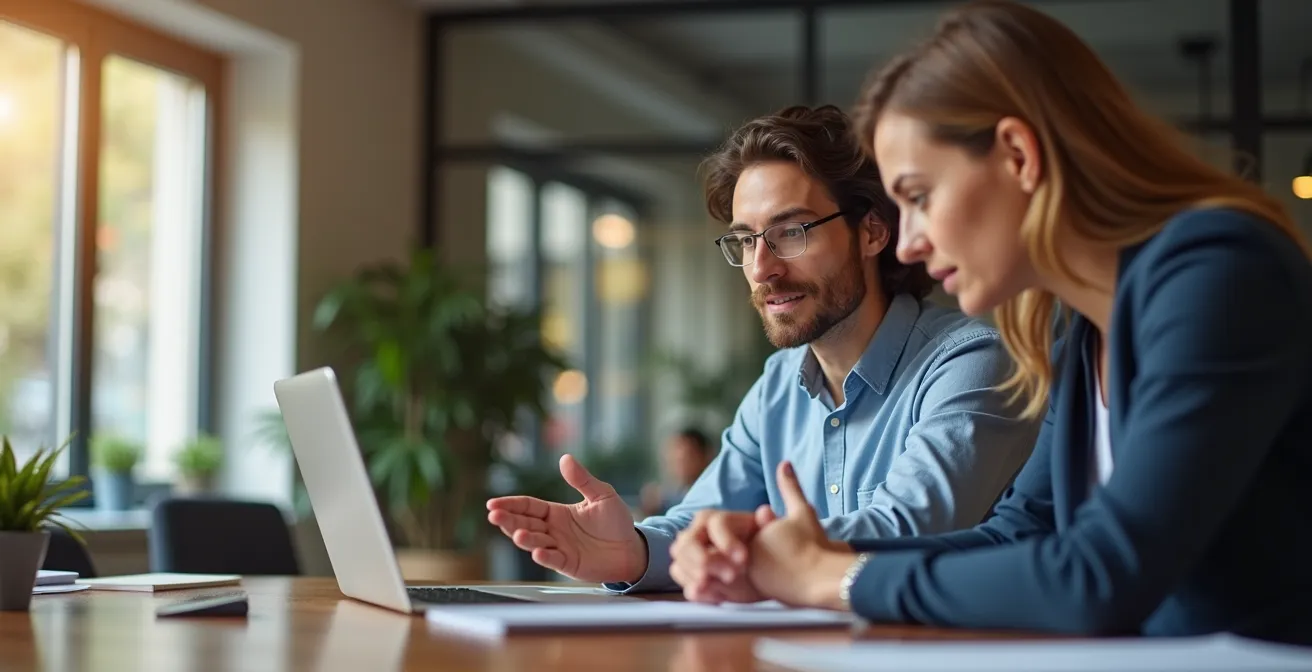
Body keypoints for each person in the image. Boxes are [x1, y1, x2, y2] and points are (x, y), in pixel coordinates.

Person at [668, 0, 1312, 645]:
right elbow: (1016, 536)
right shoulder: (1085, 333)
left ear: (1017, 155)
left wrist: (826, 578)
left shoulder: (1219, 272)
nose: (908, 242)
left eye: (919, 196)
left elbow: (1101, 573)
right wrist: (784, 557)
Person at [485, 104, 1041, 597]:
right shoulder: (779, 385)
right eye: (746, 239)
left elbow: (909, 527)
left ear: (872, 232)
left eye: (792, 232)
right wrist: (633, 550)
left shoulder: (971, 363)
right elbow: (700, 522)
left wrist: (744, 547)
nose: (762, 268)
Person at [640, 428, 716, 517]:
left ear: (706, 456)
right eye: (673, 458)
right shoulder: (665, 497)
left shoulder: (713, 497)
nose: (678, 463)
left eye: (688, 457)